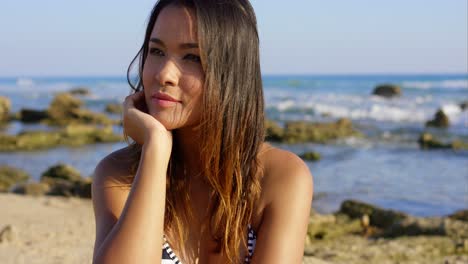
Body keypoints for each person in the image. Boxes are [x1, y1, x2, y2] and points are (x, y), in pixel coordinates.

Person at [91, 0, 313, 263]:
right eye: (156, 51)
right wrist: (155, 150)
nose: (164, 74)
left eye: (192, 57)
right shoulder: (119, 175)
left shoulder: (280, 178)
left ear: (232, 71)